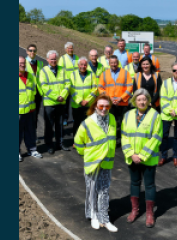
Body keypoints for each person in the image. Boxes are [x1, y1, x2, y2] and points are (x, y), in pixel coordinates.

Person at [74, 95, 118, 233]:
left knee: (104, 190)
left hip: (107, 161)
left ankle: (104, 218)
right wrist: (85, 154)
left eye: (107, 106)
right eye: (101, 106)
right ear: (95, 107)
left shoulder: (112, 119)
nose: (104, 109)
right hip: (93, 162)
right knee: (92, 190)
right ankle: (93, 215)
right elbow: (78, 141)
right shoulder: (87, 123)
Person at [121, 89, 163, 228]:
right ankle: (135, 210)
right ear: (134, 101)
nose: (142, 102)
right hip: (132, 157)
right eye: (139, 99)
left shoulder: (155, 116)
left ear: (148, 100)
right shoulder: (127, 115)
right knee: (134, 183)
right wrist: (132, 154)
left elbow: (156, 137)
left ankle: (150, 214)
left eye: (144, 99)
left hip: (148, 158)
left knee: (149, 184)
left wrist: (142, 155)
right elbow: (124, 136)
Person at [39, 50, 71, 154]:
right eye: (51, 59)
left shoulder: (62, 70)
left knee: (60, 125)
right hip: (50, 104)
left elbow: (68, 84)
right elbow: (44, 87)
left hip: (61, 103)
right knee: (49, 126)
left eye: (55, 58)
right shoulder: (43, 71)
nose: (53, 60)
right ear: (47, 59)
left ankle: (60, 143)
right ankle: (49, 145)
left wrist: (62, 96)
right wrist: (57, 97)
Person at [98, 55, 133, 142]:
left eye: (115, 63)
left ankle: (124, 140)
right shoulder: (104, 74)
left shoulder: (125, 73)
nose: (114, 64)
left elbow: (130, 87)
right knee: (111, 123)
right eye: (112, 63)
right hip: (110, 104)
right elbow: (100, 88)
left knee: (123, 123)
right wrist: (109, 98)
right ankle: (111, 139)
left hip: (122, 103)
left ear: (118, 63)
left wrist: (121, 98)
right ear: (109, 63)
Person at [70, 57, 99, 148]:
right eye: (81, 64)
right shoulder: (73, 75)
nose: (83, 66)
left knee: (88, 124)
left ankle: (87, 141)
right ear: (78, 65)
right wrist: (79, 100)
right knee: (77, 124)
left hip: (88, 105)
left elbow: (94, 89)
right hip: (76, 105)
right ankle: (76, 142)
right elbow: (71, 89)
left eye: (85, 65)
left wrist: (87, 100)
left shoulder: (91, 75)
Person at [19, 56, 42, 162]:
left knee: (30, 131)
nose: (22, 65)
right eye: (20, 63)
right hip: (19, 111)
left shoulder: (30, 77)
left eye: (24, 63)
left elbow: (33, 91)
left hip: (30, 109)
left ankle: (32, 149)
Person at [25, 44, 44, 132]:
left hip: (37, 93)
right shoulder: (22, 63)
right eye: (30, 50)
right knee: (24, 114)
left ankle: (33, 134)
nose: (32, 52)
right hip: (26, 93)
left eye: (34, 50)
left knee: (35, 115)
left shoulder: (40, 63)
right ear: (27, 51)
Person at [59, 42, 79, 126]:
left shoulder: (77, 57)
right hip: (67, 84)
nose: (70, 50)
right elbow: (60, 73)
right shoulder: (62, 59)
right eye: (68, 48)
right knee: (66, 104)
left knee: (76, 102)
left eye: (71, 48)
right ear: (65, 49)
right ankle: (65, 119)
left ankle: (75, 118)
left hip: (76, 84)